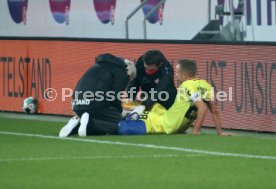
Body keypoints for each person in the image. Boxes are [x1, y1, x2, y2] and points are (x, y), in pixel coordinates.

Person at [119, 59, 232, 136]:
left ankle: (120, 112)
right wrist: (220, 132)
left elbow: (202, 107)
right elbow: (214, 109)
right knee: (154, 105)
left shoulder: (186, 86)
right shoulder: (205, 85)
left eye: (177, 72)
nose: (176, 76)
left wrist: (196, 130)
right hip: (173, 121)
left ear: (185, 74)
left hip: (166, 124)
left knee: (131, 116)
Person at [59, 53, 136, 137]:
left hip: (77, 105)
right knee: (123, 125)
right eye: (130, 78)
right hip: (95, 104)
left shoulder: (99, 66)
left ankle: (77, 124)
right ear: (128, 70)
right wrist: (122, 112)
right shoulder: (121, 71)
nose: (128, 80)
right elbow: (114, 97)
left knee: (102, 120)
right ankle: (88, 124)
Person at [126, 50, 177, 115]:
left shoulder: (167, 72)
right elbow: (134, 82)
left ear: (160, 65)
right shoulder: (141, 62)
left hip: (165, 98)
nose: (147, 71)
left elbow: (158, 91)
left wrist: (143, 106)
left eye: (151, 70)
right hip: (147, 93)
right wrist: (129, 99)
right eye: (146, 68)